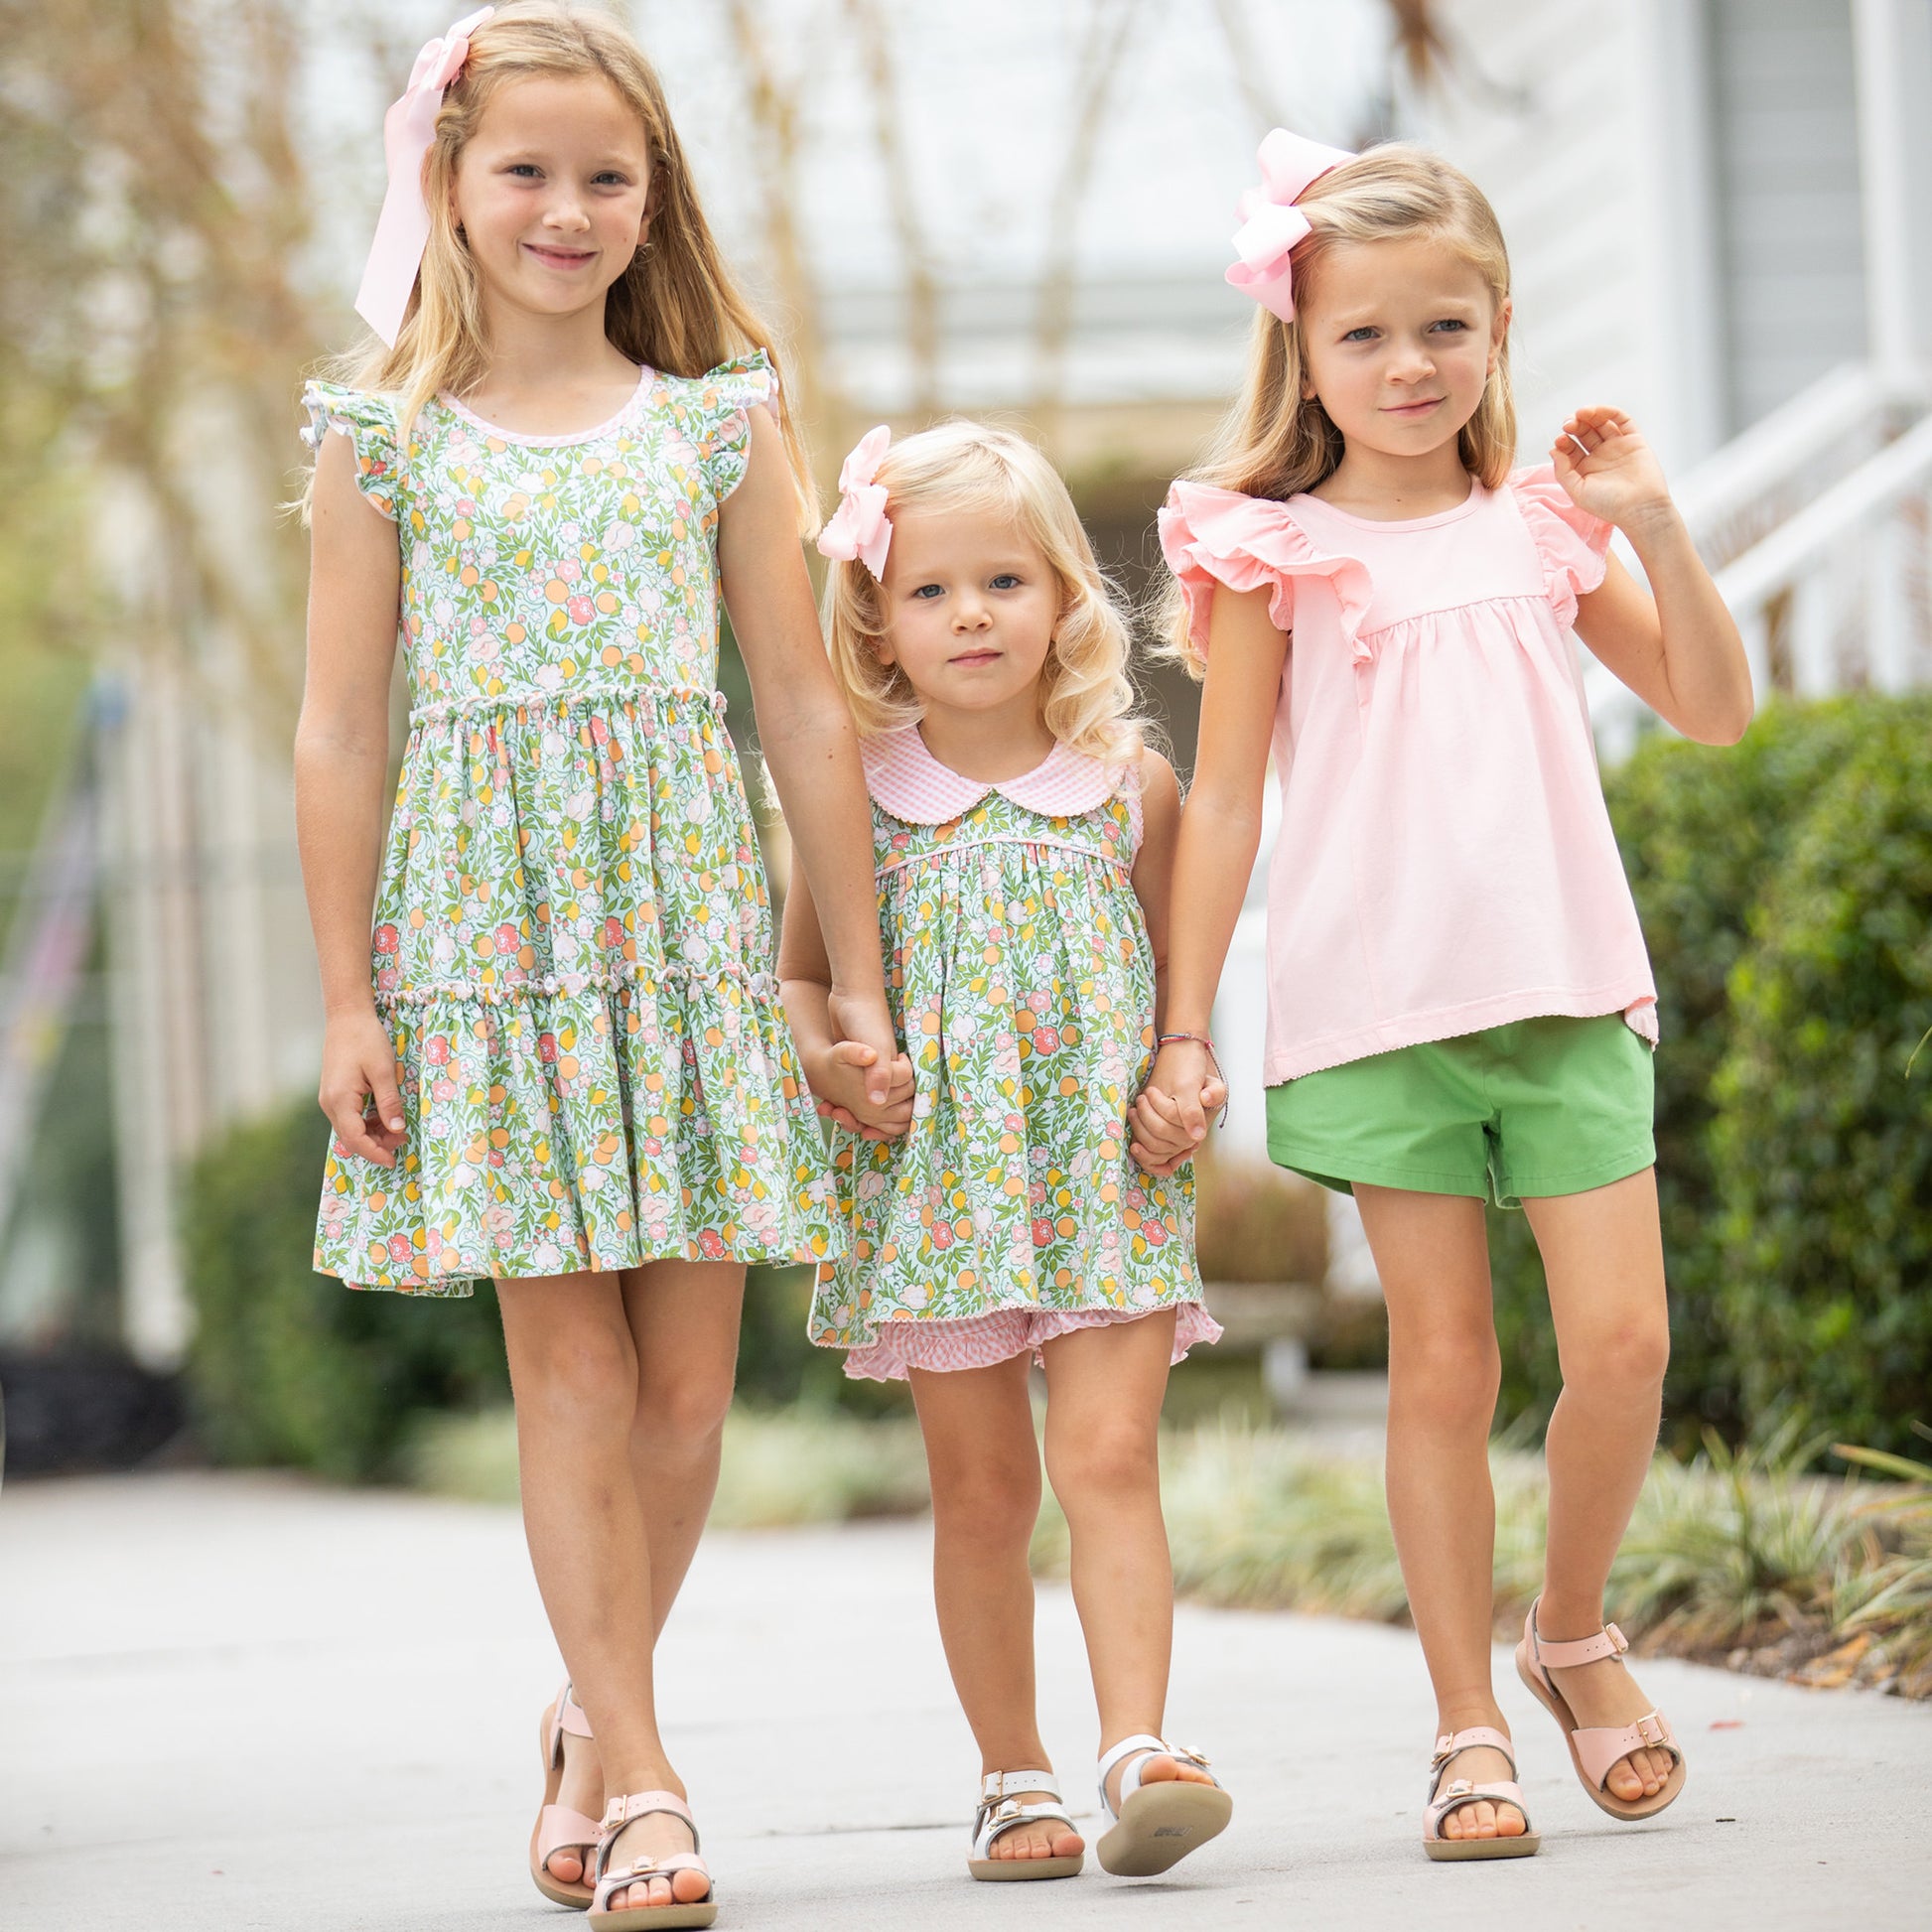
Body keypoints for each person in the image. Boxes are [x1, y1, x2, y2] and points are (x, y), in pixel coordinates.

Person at [293, 7, 895, 1923]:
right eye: (526, 172)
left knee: (687, 1397)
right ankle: (644, 1779)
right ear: (448, 185)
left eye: (605, 177)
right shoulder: (380, 440)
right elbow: (339, 731)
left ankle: (581, 1713)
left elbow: (801, 708)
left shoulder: (721, 418)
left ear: (653, 201)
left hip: (691, 939)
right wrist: (347, 995)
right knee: (567, 1368)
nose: (566, 209)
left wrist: (854, 981)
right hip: (489, 950)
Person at [1144, 133, 1753, 1861]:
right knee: (1445, 1360)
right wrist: (1183, 1022)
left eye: (1444, 327)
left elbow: (1713, 709)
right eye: (1364, 333)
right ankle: (1464, 1721)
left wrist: (1655, 526)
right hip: (1376, 1004)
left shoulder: (1543, 526)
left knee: (1622, 1347)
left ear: (1495, 329)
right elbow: (1227, 802)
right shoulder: (1267, 551)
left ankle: (1569, 1627)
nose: (1407, 364)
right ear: (1302, 349)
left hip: (1565, 987)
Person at [780, 422, 1234, 1882]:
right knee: (983, 1493)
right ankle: (1011, 1773)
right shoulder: (851, 791)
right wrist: (830, 1062)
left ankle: (1137, 1750)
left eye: (1003, 581)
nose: (969, 615)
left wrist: (1185, 1077)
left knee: (1109, 1458)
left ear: (1063, 597)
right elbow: (796, 980)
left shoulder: (1129, 785)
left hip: (1103, 1180)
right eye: (928, 591)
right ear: (877, 622)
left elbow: (1181, 989)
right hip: (937, 1193)